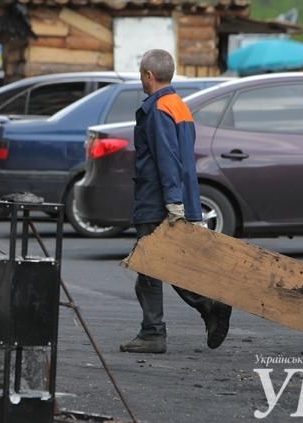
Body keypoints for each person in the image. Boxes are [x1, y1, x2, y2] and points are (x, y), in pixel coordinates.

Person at [120, 49, 232, 354]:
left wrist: (172, 203)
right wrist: (186, 204)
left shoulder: (157, 109)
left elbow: (166, 159)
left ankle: (155, 332)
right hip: (177, 197)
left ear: (148, 75)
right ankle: (204, 308)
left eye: (141, 75)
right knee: (165, 264)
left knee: (149, 269)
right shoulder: (179, 106)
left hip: (156, 200)